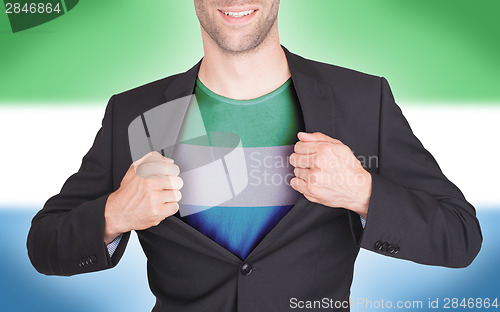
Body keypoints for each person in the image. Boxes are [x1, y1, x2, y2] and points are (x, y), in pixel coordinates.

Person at [27, 1, 482, 311]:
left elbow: (460, 236)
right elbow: (45, 245)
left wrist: (363, 192)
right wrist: (114, 214)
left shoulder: (361, 100)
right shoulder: (138, 113)